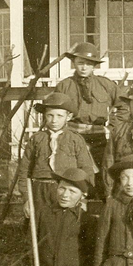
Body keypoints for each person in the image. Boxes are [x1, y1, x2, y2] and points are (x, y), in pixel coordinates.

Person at [12, 93, 97, 213]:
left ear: (68, 117)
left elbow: (86, 169)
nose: (54, 120)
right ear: (45, 116)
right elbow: (24, 170)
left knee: (66, 224)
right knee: (41, 224)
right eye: (50, 115)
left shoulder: (75, 139)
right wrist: (26, 198)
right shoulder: (36, 139)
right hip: (40, 190)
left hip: (67, 189)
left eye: (59, 116)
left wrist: (83, 197)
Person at [55, 43, 121, 197]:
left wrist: (112, 126)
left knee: (103, 174)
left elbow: (123, 106)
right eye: (80, 63)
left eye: (88, 64)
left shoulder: (105, 85)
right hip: (72, 135)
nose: (84, 68)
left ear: (94, 65)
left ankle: (103, 211)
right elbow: (55, 110)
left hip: (98, 137)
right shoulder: (64, 86)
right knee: (75, 174)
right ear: (74, 63)